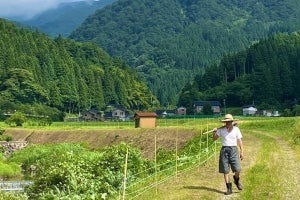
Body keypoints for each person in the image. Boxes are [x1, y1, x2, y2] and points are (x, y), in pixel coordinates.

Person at [212, 114, 244, 195]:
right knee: (225, 170)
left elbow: (240, 141)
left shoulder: (236, 129)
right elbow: (214, 139)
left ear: (231, 122)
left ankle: (236, 180)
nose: (227, 123)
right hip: (224, 150)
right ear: (224, 122)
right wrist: (214, 132)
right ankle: (229, 189)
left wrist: (242, 151)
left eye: (229, 122)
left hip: (233, 150)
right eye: (226, 122)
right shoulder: (221, 130)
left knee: (237, 169)